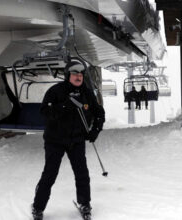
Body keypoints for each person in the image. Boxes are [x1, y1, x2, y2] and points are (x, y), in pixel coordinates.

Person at [31, 62, 105, 220]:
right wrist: (64, 106)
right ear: (67, 75)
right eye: (74, 74)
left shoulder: (86, 92)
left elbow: (99, 113)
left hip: (76, 140)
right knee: (50, 174)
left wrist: (95, 130)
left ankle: (84, 203)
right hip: (55, 140)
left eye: (81, 74)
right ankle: (38, 207)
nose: (78, 77)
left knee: (82, 173)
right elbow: (44, 112)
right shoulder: (56, 91)